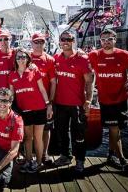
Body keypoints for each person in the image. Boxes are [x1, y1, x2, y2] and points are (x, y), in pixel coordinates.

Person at [88, 28, 128, 177]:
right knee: (113, 129)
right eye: (103, 40)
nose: (106, 42)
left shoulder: (123, 55)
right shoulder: (94, 55)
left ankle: (111, 156)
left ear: (115, 40)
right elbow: (83, 65)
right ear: (100, 41)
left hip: (121, 99)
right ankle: (123, 162)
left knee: (116, 129)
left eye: (109, 39)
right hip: (105, 100)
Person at [53, 30, 94, 173]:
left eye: (69, 39)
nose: (65, 42)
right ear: (59, 41)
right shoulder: (57, 58)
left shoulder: (83, 59)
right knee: (62, 132)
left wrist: (89, 101)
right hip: (60, 103)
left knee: (79, 134)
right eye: (63, 39)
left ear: (73, 41)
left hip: (77, 104)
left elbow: (90, 81)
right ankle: (65, 155)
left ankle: (80, 160)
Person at [9, 48, 52, 173]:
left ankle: (38, 163)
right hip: (24, 111)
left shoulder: (34, 70)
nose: (21, 59)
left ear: (28, 59)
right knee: (28, 138)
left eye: (23, 57)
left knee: (38, 138)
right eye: (18, 57)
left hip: (39, 109)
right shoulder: (12, 75)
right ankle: (28, 161)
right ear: (15, 60)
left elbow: (43, 90)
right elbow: (12, 95)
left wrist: (48, 105)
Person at [30, 33, 56, 165]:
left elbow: (53, 82)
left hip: (44, 102)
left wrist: (50, 102)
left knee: (46, 129)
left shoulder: (49, 59)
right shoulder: (26, 57)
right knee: (28, 131)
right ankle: (29, 156)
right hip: (28, 102)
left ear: (45, 44)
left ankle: (44, 154)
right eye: (36, 42)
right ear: (31, 43)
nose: (39, 44)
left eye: (41, 42)